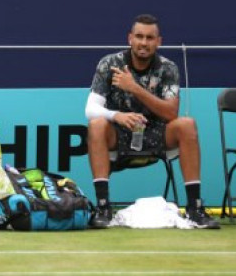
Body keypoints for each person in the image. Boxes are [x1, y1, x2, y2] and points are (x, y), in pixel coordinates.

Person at [85, 14, 219, 229]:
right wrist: (117, 115)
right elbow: (90, 109)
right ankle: (103, 207)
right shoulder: (109, 63)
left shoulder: (168, 68)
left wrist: (134, 88)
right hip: (120, 131)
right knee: (97, 125)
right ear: (130, 38)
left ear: (159, 41)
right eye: (139, 36)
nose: (144, 43)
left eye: (149, 38)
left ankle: (194, 208)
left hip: (156, 131)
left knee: (186, 124)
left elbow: (171, 114)